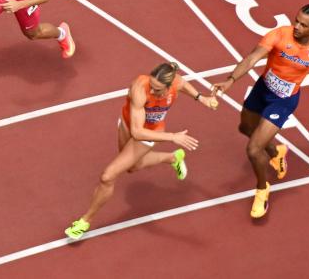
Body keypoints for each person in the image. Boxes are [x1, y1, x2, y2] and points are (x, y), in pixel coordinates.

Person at [211, 4, 309, 218]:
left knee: (254, 150)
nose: (297, 26)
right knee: (245, 128)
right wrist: (230, 80)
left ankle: (262, 190)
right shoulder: (279, 35)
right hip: (262, 89)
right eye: (296, 20)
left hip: (283, 101)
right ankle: (276, 152)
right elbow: (252, 58)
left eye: (303, 25)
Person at [64, 62, 219, 240]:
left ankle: (85, 221)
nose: (152, 90)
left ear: (168, 86)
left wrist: (201, 98)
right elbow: (136, 132)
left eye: (157, 89)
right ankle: (172, 158)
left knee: (107, 176)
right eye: (151, 85)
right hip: (129, 125)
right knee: (133, 167)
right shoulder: (140, 88)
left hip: (152, 131)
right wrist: (173, 137)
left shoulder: (175, 82)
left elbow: (182, 83)